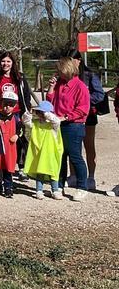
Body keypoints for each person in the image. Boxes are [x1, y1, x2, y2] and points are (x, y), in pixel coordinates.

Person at [46, 57, 90, 201]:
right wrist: (51, 87)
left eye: (61, 72)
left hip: (74, 126)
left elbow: (83, 109)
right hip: (59, 124)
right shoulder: (60, 84)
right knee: (60, 155)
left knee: (75, 156)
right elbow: (50, 101)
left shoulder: (80, 87)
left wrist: (66, 117)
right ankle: (59, 184)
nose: (59, 74)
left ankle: (82, 187)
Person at [70, 50, 105, 191]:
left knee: (89, 146)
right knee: (73, 147)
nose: (71, 63)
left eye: (72, 60)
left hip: (89, 115)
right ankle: (73, 175)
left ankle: (91, 177)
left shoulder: (90, 75)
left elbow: (100, 94)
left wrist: (84, 101)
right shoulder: (67, 76)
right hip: (72, 116)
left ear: (79, 60)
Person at [23, 102, 63, 200]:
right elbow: (26, 122)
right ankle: (39, 190)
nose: (40, 114)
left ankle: (55, 190)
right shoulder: (35, 124)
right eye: (39, 112)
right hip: (38, 154)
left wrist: (47, 114)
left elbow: (57, 121)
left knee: (53, 173)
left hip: (51, 154)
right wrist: (29, 113)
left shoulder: (52, 126)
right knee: (40, 172)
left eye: (41, 112)